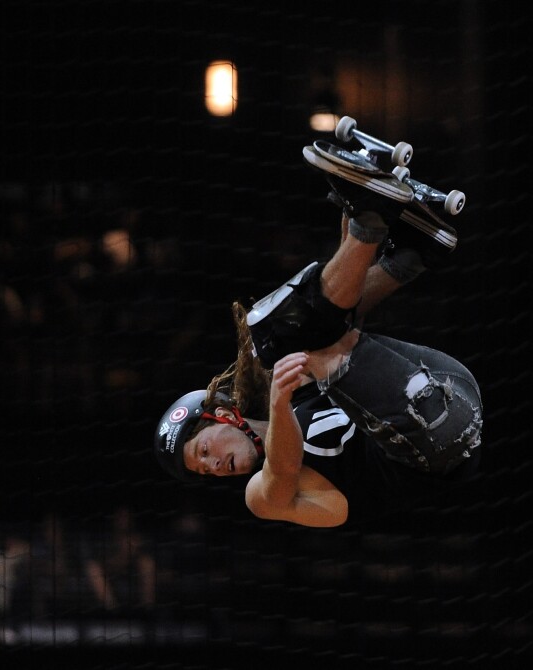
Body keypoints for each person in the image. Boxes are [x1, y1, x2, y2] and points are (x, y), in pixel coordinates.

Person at [154, 145, 484, 528]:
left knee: (300, 333)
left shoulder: (296, 387)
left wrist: (349, 207)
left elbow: (337, 314)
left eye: (205, 450)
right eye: (206, 472)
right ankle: (381, 229)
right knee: (280, 336)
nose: (214, 467)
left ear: (225, 416)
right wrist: (279, 403)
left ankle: (407, 250)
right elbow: (283, 472)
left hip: (446, 380)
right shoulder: (260, 495)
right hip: (440, 441)